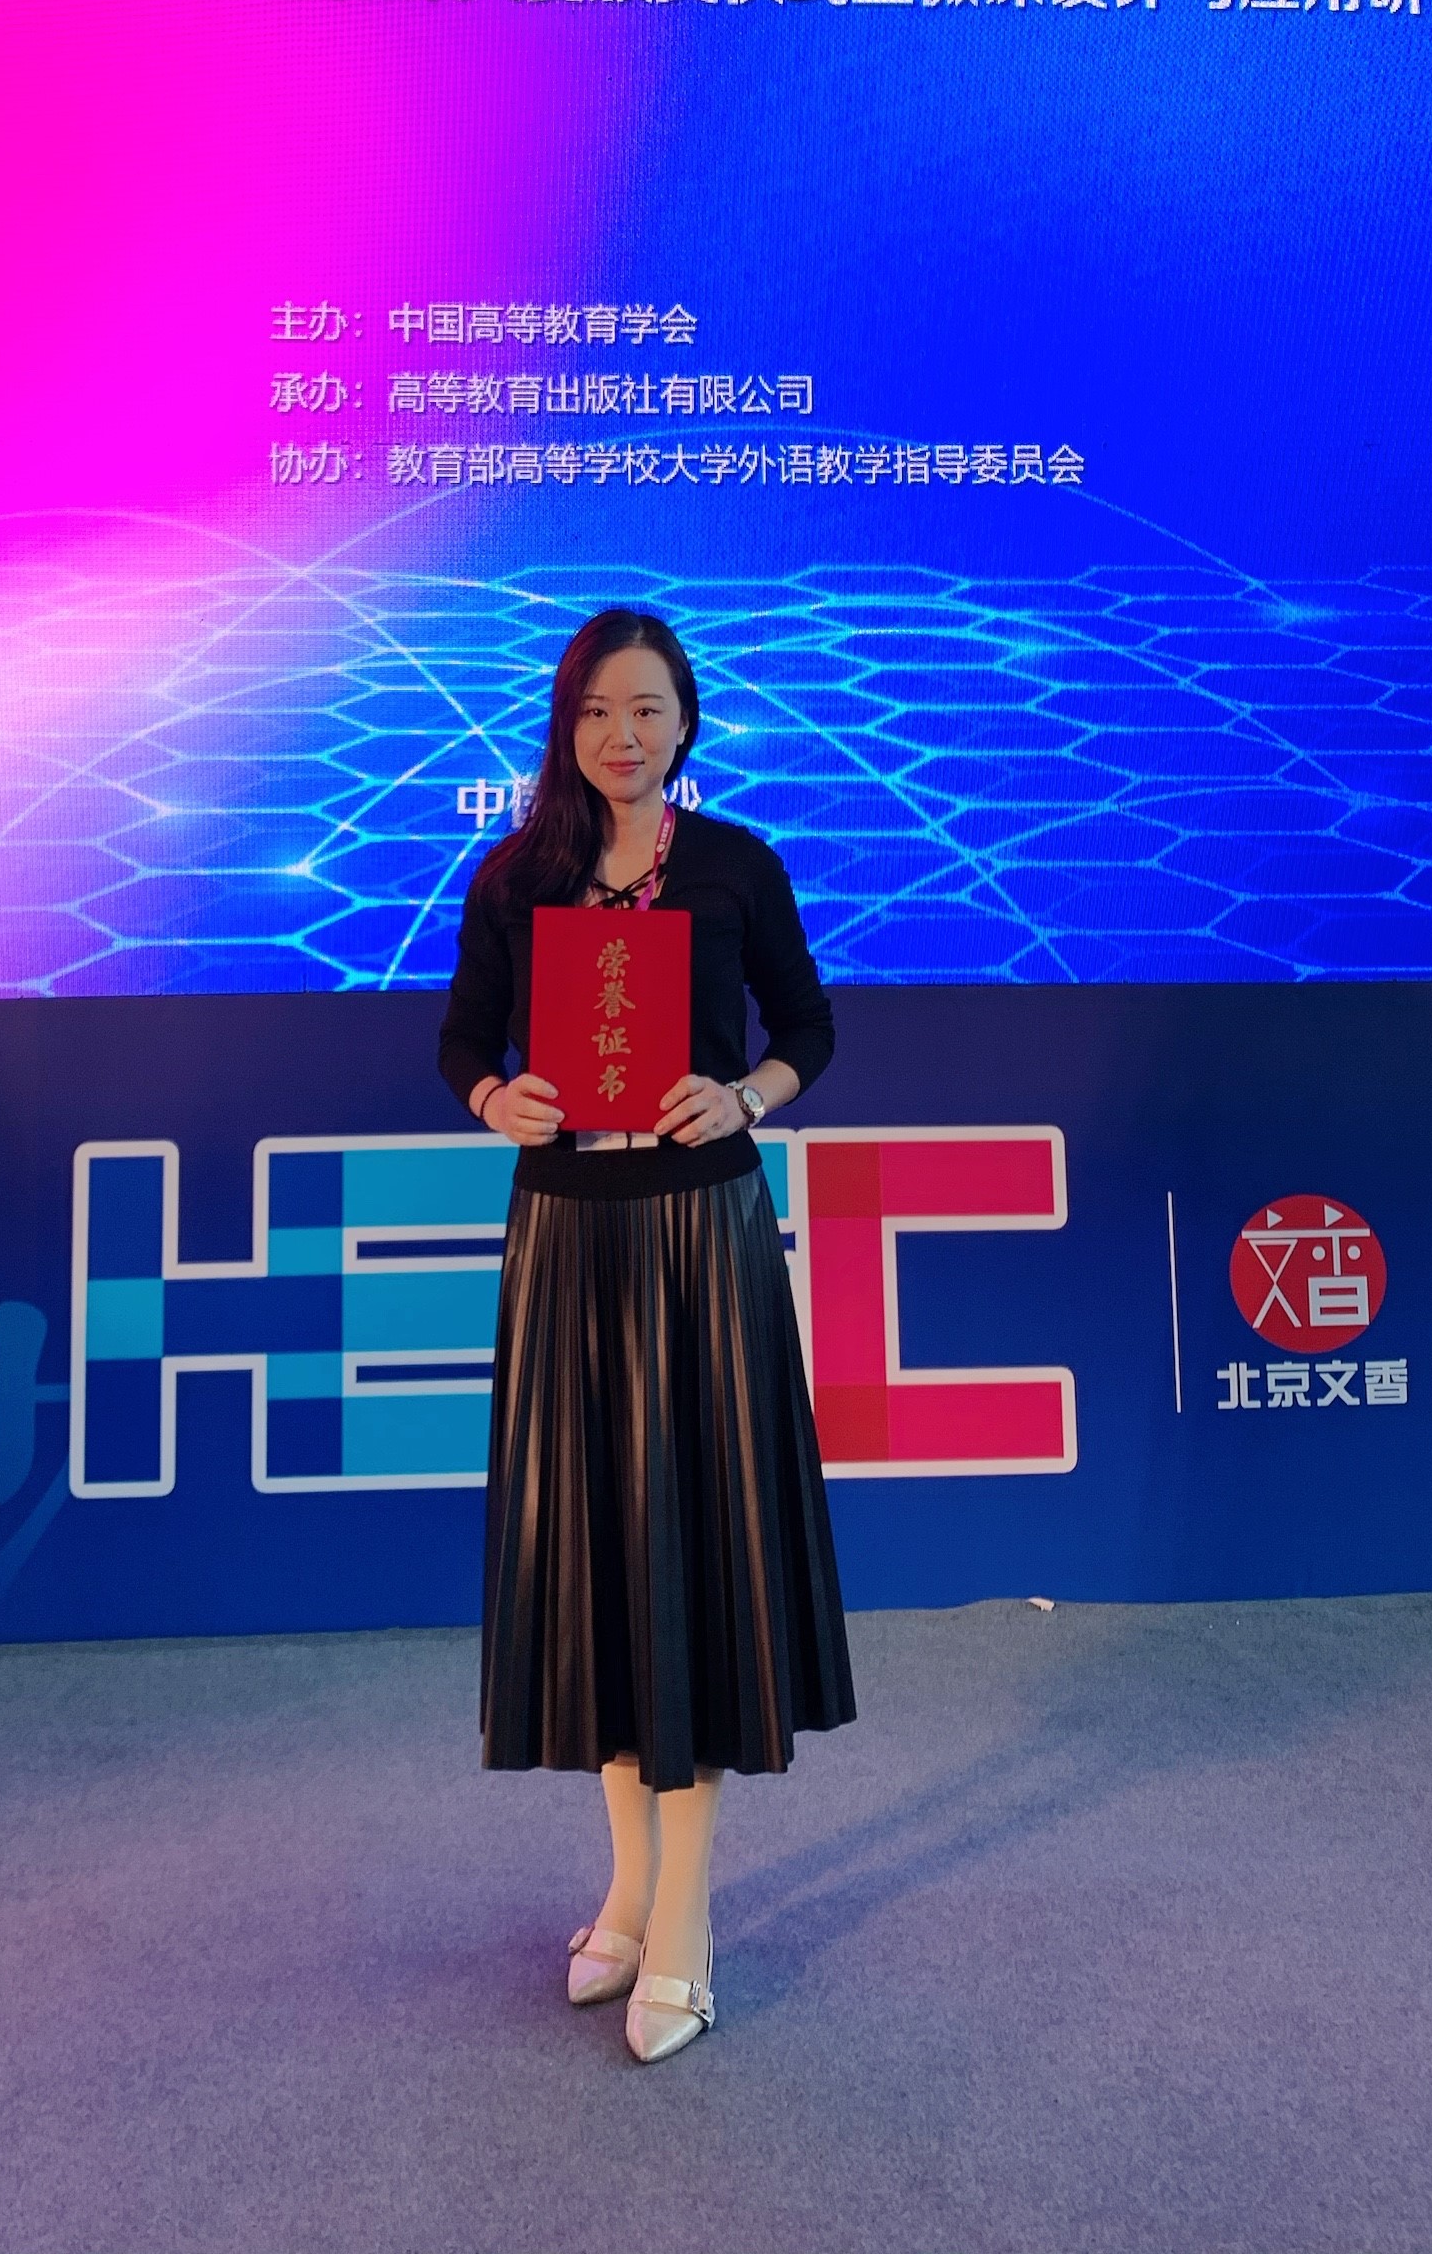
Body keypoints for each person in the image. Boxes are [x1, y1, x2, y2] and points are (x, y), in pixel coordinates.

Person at [438, 606, 854, 2064]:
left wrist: (746, 1096)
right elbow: (461, 1039)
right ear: (567, 725)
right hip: (569, 1236)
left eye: (650, 710)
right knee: (604, 1569)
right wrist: (494, 1099)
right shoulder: (518, 873)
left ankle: (683, 1922)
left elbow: (808, 1026)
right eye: (600, 711)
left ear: (688, 723)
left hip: (699, 1238)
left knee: (693, 1560)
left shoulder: (737, 864)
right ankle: (626, 1887)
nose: (625, 735)